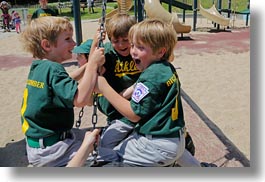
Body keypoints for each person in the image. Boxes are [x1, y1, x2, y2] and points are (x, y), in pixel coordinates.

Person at [91, 18, 209, 167]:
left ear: (160, 51)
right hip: (176, 138)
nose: (133, 51)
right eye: (133, 45)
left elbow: (134, 115)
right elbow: (143, 88)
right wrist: (124, 94)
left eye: (140, 47)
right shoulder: (166, 68)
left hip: (157, 144)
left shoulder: (150, 77)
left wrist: (104, 87)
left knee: (104, 156)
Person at [20, 16, 105, 167]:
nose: (74, 43)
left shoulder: (39, 67)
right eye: (68, 39)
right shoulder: (54, 68)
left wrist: (89, 62)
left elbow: (68, 79)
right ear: (47, 45)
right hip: (52, 150)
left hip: (37, 145)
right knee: (109, 156)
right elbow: (80, 100)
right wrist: (92, 66)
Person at [90, 13, 141, 149]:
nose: (121, 45)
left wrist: (129, 91)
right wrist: (96, 42)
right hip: (115, 111)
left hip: (135, 109)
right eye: (115, 41)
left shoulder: (139, 51)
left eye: (125, 40)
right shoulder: (108, 53)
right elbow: (92, 68)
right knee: (106, 145)